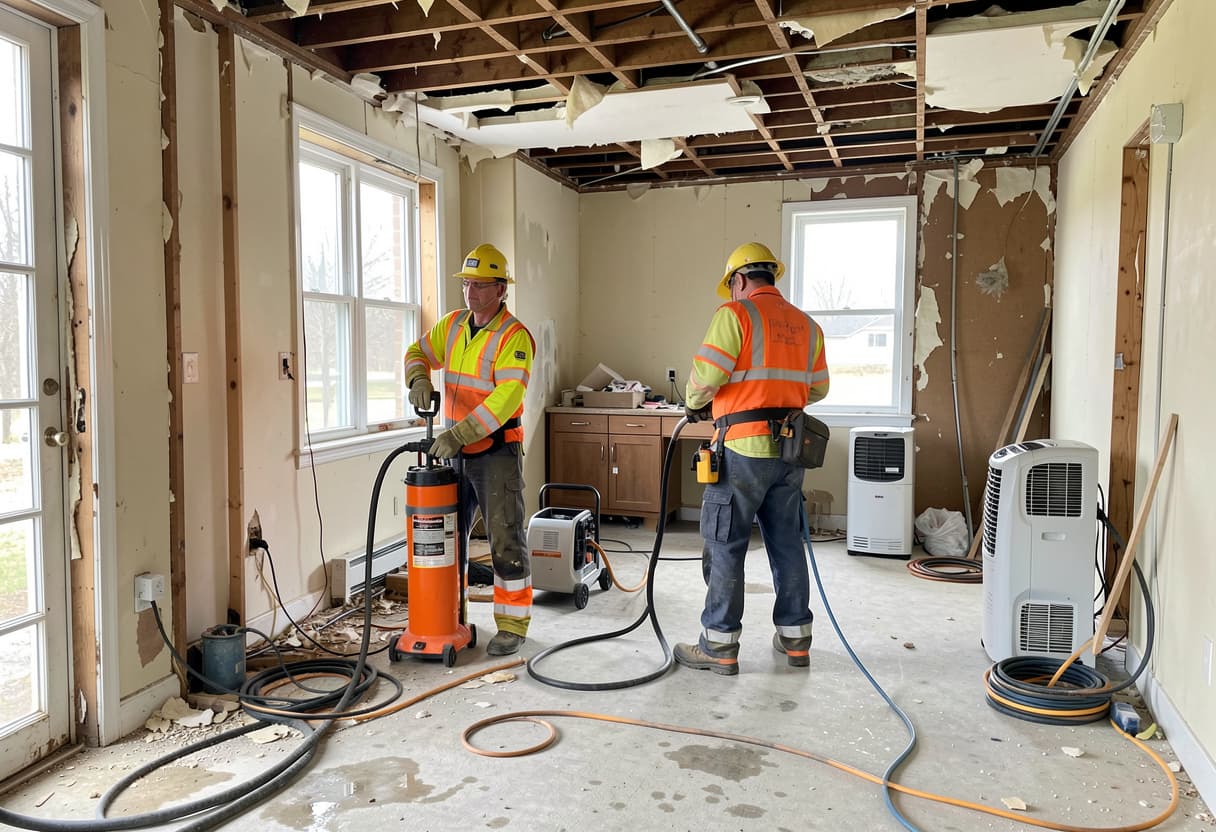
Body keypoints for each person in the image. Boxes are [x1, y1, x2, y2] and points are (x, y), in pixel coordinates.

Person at [675, 242, 830, 676]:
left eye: (732, 285)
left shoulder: (736, 315)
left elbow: (706, 377)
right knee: (786, 543)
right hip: (790, 452)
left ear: (739, 280)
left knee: (726, 543)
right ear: (772, 276)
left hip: (742, 449)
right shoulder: (808, 325)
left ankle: (719, 644)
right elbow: (818, 388)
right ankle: (795, 639)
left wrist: (694, 404)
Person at [404, 243, 536, 656]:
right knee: (448, 537)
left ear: (501, 289)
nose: (470, 292)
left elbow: (506, 398)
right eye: (466, 284)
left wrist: (460, 434)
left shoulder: (514, 336)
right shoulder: (453, 326)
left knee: (505, 538)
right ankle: (450, 616)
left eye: (480, 285)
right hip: (453, 451)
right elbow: (416, 352)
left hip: (494, 453)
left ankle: (512, 625)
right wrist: (418, 379)